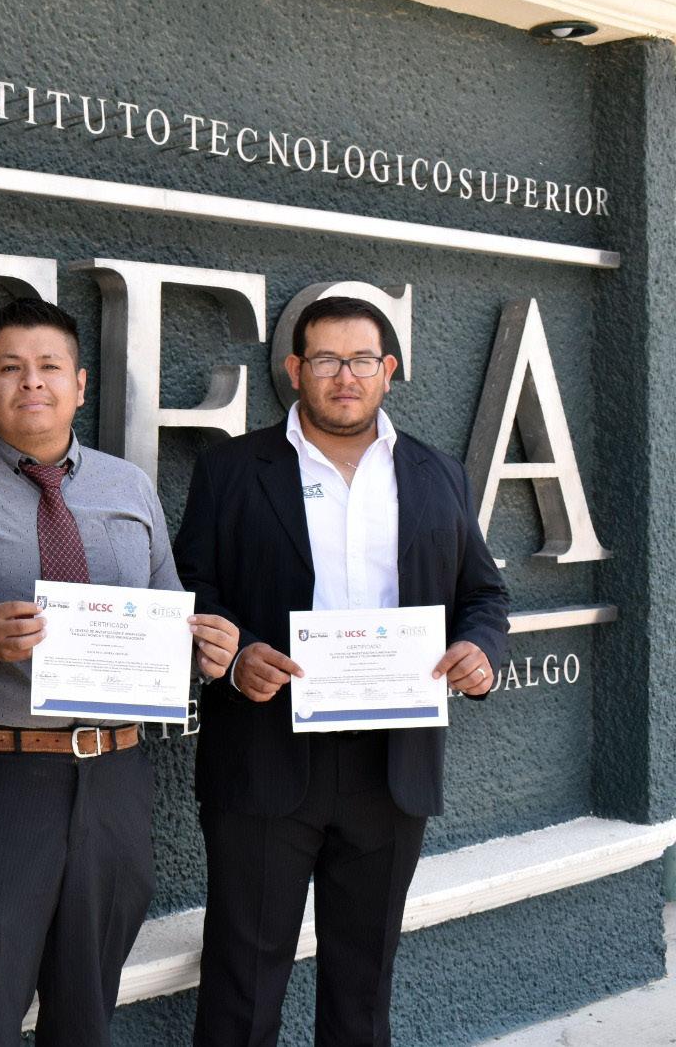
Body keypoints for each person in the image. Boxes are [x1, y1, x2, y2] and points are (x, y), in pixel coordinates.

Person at [0, 297, 238, 1046]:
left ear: (81, 384)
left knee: (87, 1012)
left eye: (50, 366)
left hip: (114, 777)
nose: (32, 382)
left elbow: (169, 614)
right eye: (10, 368)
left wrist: (205, 650)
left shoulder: (130, 488)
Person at [173, 296, 509, 1046]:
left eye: (361, 360)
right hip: (264, 757)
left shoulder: (438, 474)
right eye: (326, 359)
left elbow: (484, 596)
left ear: (388, 370)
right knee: (240, 988)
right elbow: (193, 590)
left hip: (391, 768)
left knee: (362, 991)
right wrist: (238, 658)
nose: (344, 376)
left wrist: (482, 652)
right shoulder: (232, 470)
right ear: (296, 370)